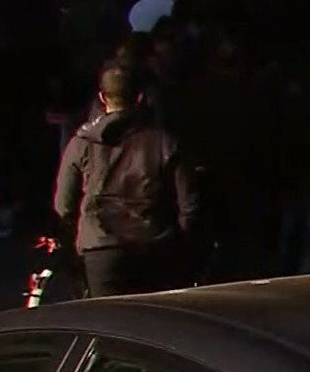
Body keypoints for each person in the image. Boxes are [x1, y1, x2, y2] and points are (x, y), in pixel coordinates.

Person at [53, 63, 202, 296]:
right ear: (140, 97)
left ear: (102, 98)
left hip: (101, 249)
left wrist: (75, 246)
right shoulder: (164, 142)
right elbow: (190, 204)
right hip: (154, 246)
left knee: (106, 316)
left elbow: (64, 205)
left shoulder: (82, 143)